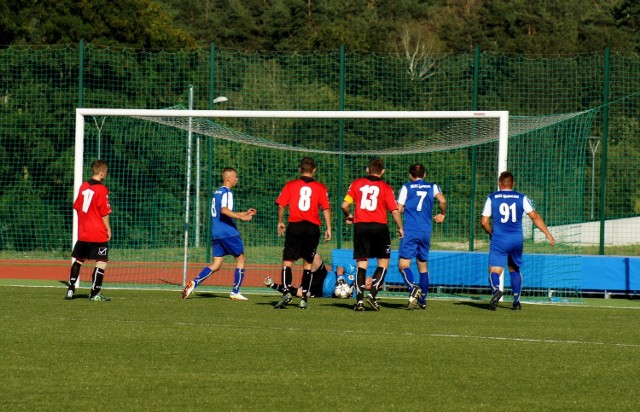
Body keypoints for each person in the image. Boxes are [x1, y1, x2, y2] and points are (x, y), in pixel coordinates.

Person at [481, 171, 555, 311]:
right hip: (516, 239)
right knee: (514, 268)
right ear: (513, 184)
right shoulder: (522, 198)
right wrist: (548, 234)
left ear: (499, 183)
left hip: (499, 239)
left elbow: (484, 222)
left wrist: (491, 233)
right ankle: (516, 301)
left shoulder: (492, 198)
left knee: (494, 270)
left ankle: (496, 290)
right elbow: (535, 217)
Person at [181, 168, 256, 300]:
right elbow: (224, 211)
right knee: (241, 259)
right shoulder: (227, 192)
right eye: (235, 177)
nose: (237, 179)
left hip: (216, 232)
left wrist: (244, 213)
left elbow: (225, 212)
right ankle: (235, 292)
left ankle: (194, 283)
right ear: (229, 179)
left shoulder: (217, 192)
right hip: (228, 232)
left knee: (216, 265)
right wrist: (242, 218)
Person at [341, 158, 404, 311]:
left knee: (362, 264)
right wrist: (401, 227)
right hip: (379, 228)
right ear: (382, 172)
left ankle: (359, 301)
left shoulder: (356, 184)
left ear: (367, 170)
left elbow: (344, 205)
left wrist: (349, 215)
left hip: (361, 227)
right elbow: (394, 210)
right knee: (383, 262)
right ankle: (373, 294)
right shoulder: (386, 187)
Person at [272, 157, 332, 309]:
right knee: (308, 264)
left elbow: (281, 205)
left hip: (295, 226)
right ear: (314, 170)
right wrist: (329, 227)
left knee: (288, 261)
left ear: (300, 169)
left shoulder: (291, 185)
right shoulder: (321, 187)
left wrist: (280, 221)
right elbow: (325, 208)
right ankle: (304, 297)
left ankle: (286, 291)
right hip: (312, 229)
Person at [397, 163, 447, 310]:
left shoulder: (406, 187)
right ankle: (423, 299)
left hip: (410, 231)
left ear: (410, 176)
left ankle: (412, 287)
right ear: (424, 175)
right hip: (425, 231)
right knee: (423, 267)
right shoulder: (433, 186)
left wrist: (403, 208)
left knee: (403, 265)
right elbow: (442, 200)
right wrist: (442, 214)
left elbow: (398, 209)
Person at [65, 159, 112, 301]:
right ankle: (94, 294)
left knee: (79, 260)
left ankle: (70, 289)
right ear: (102, 173)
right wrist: (108, 229)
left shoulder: (83, 186)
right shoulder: (102, 189)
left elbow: (77, 207)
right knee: (101, 261)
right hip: (97, 232)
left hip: (83, 232)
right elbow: (104, 212)